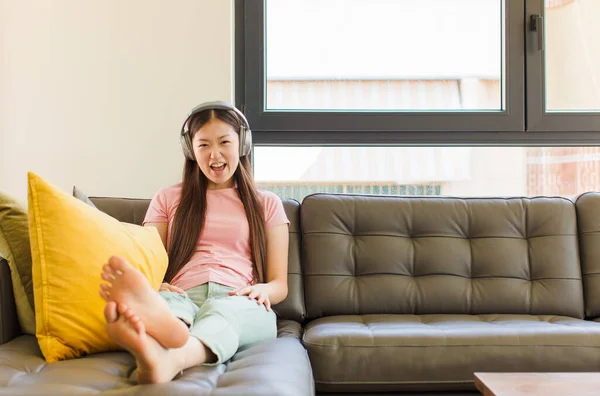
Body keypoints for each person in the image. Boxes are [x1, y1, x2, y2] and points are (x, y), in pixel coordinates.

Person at [98, 101, 290, 384]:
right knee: (169, 304)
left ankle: (171, 356)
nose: (215, 154)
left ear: (242, 145)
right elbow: (153, 258)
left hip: (239, 298)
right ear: (191, 150)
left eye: (225, 142)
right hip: (183, 292)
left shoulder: (267, 204)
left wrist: (263, 291)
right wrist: (155, 283)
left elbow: (280, 285)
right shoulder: (167, 198)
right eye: (203, 145)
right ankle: (163, 330)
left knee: (224, 312)